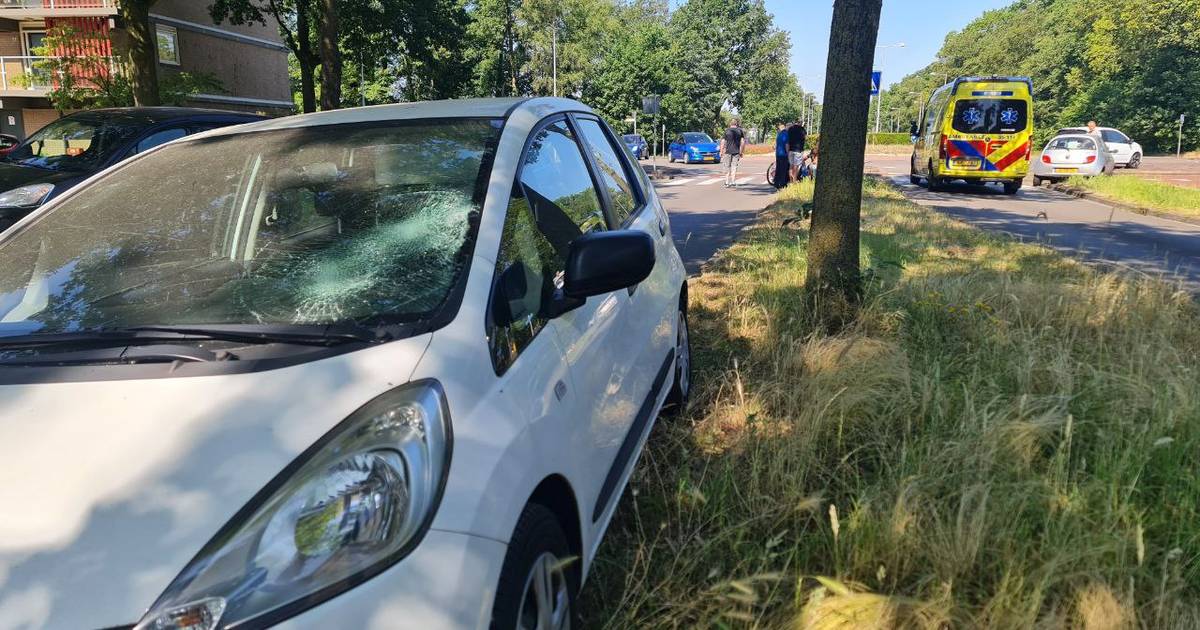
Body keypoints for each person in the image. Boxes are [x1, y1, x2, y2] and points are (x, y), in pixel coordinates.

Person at [720, 117, 746, 188]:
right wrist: (741, 151)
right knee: (734, 166)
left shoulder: (727, 131)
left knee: (727, 166)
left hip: (727, 151)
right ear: (736, 124)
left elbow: (723, 141)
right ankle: (733, 181)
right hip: (736, 151)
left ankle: (727, 182)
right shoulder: (740, 131)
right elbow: (743, 142)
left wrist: (721, 151)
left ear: (730, 124)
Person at [774, 121, 791, 189]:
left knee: (778, 169)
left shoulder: (779, 134)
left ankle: (776, 183)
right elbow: (787, 145)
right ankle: (783, 184)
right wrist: (788, 154)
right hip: (784, 155)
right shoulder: (786, 134)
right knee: (784, 170)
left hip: (778, 154)